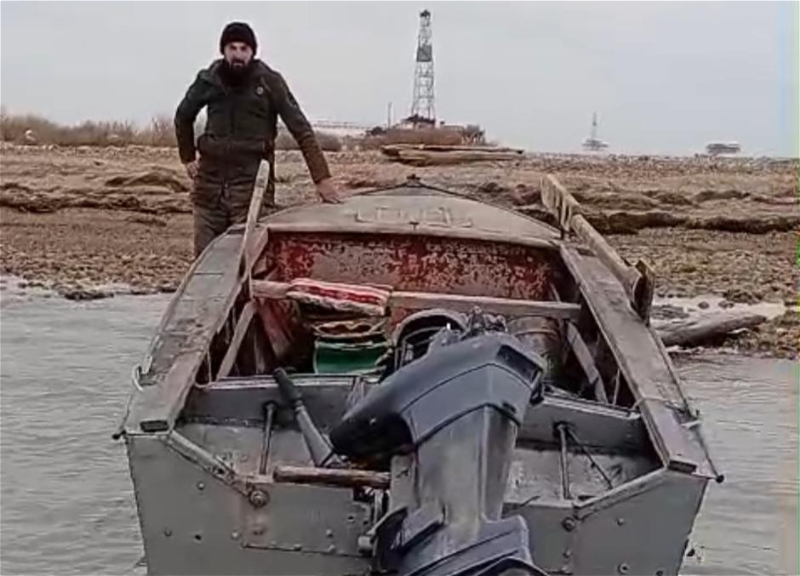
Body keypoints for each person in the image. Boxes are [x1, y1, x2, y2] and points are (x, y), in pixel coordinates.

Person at [175, 22, 340, 257]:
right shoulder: (208, 80)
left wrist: (321, 178)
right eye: (232, 48)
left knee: (247, 262)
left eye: (244, 49)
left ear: (253, 52)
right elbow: (183, 116)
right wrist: (188, 156)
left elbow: (301, 130)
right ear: (223, 50)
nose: (238, 54)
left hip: (251, 189)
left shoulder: (269, 82)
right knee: (205, 261)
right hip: (209, 189)